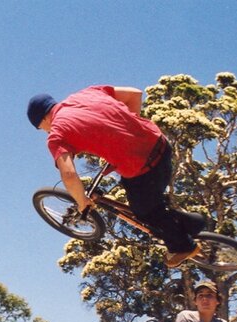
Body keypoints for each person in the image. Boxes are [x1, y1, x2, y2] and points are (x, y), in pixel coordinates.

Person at [27, 86, 209, 267]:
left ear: (42, 119)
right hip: (159, 143)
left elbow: (68, 174)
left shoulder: (57, 134)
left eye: (41, 128)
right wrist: (128, 133)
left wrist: (81, 200)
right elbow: (135, 94)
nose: (45, 131)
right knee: (140, 193)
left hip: (144, 167)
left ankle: (184, 245)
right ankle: (192, 223)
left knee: (145, 212)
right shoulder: (86, 94)